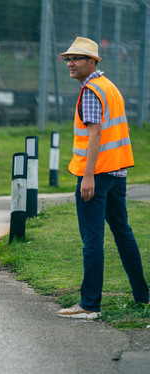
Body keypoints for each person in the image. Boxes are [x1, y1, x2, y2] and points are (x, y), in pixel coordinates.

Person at [57, 37, 149, 319]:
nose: (70, 64)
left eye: (77, 59)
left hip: (96, 175)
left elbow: (95, 135)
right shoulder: (109, 87)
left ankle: (89, 305)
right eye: (68, 59)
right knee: (123, 233)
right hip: (116, 172)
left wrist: (87, 177)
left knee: (92, 239)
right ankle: (143, 296)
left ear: (92, 62)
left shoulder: (91, 91)